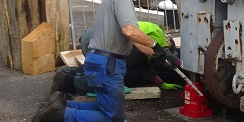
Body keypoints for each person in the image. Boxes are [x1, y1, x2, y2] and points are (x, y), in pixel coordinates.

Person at [32, 0, 161, 122]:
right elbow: (130, 31)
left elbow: (134, 40)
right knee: (113, 120)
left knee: (108, 110)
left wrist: (157, 53)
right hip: (108, 64)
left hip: (102, 60)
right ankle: (61, 115)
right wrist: (155, 44)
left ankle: (62, 105)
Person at [52, 22, 183, 96]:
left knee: (101, 71)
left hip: (92, 37)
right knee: (108, 82)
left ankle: (67, 73)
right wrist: (183, 66)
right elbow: (167, 55)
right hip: (100, 43)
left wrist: (162, 84)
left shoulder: (146, 48)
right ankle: (67, 82)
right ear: (169, 42)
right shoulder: (158, 37)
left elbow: (145, 67)